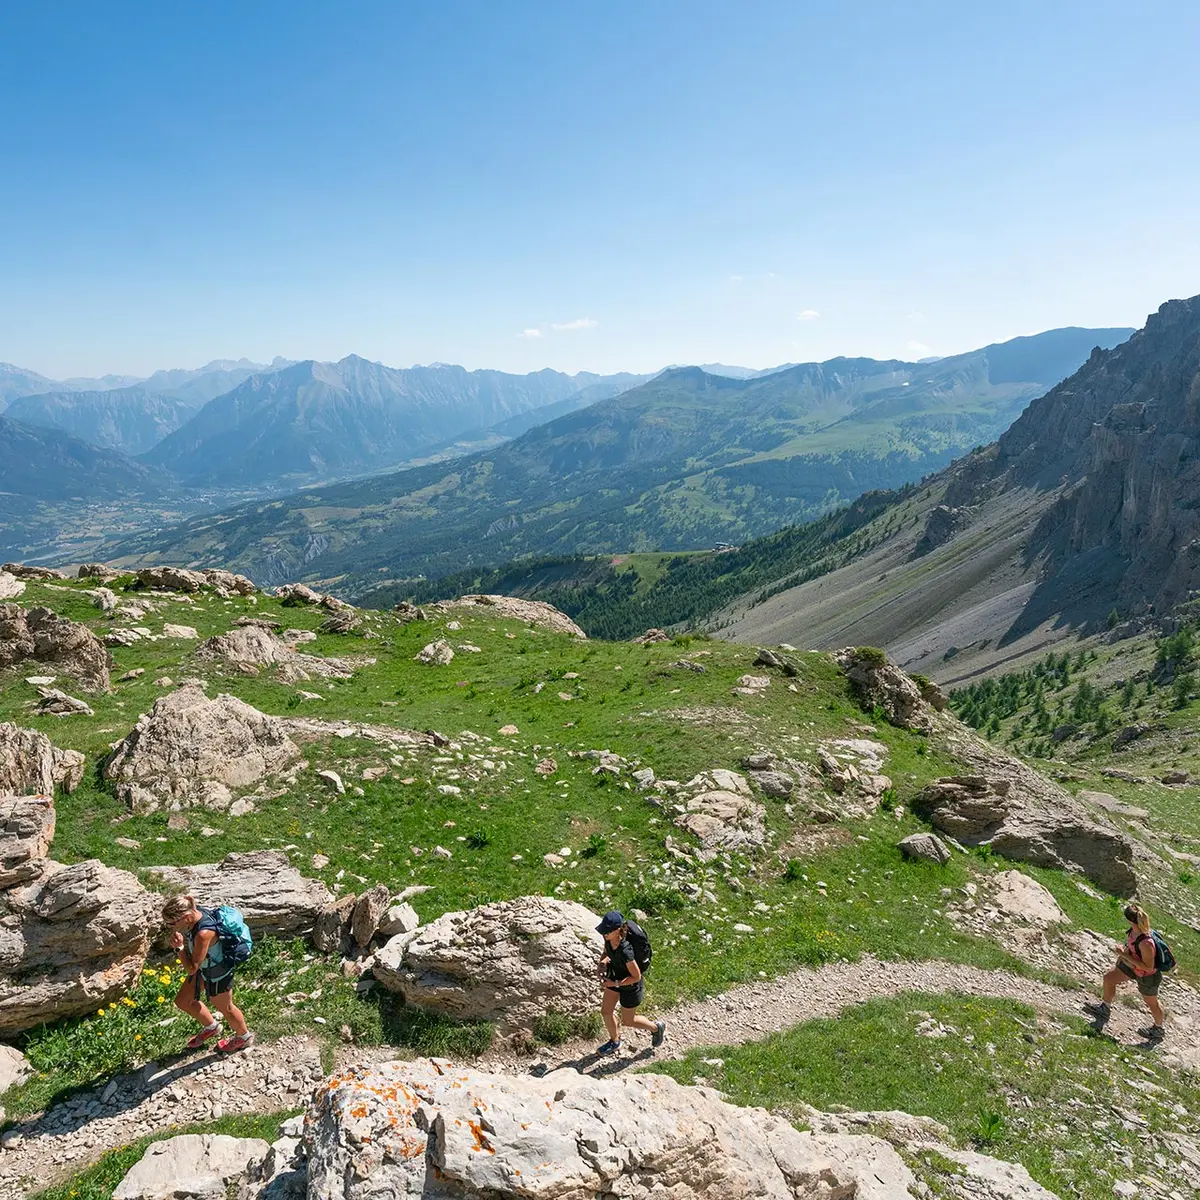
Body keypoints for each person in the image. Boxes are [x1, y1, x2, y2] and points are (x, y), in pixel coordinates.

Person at [162, 894, 255, 1054]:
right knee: (183, 1001)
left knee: (226, 1008)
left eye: (171, 923)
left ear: (186, 917)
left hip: (218, 973)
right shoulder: (197, 913)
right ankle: (212, 1027)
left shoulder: (203, 934)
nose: (170, 926)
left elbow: (192, 968)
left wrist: (179, 948)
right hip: (205, 968)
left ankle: (244, 1037)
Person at [1084, 902, 1166, 1040]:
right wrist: (1122, 958)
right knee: (1109, 978)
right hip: (1131, 965)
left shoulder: (1146, 943)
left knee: (1151, 1002)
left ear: (1129, 920)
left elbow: (1148, 967)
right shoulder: (1133, 930)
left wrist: (1124, 956)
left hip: (1147, 976)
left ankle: (1158, 1029)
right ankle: (1105, 1008)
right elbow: (1130, 948)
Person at [594, 910, 666, 1056]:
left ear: (616, 930)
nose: (604, 934)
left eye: (607, 931)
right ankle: (615, 1041)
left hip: (630, 986)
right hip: (614, 979)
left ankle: (656, 1028)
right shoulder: (608, 939)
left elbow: (636, 976)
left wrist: (615, 984)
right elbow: (606, 952)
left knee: (629, 1020)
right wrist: (602, 962)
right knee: (606, 1012)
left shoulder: (626, 951)